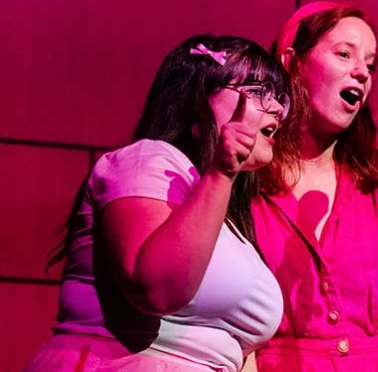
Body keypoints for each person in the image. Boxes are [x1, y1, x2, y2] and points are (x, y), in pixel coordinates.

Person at [23, 35, 289, 372]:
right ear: (199, 96)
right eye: (258, 91)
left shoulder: (226, 217)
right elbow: (157, 290)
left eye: (277, 97)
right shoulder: (148, 160)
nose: (277, 109)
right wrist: (221, 173)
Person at [250, 2, 378, 371]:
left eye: (371, 64)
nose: (362, 72)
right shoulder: (244, 179)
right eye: (344, 54)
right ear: (293, 61)